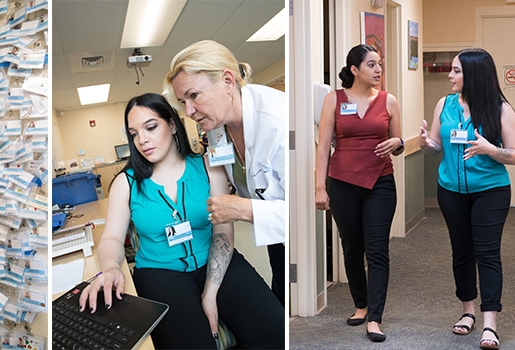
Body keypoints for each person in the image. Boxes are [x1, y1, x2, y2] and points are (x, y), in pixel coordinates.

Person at [78, 93, 284, 349]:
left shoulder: (209, 166)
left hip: (215, 258)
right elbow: (112, 238)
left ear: (173, 125)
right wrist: (110, 267)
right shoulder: (126, 183)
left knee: (275, 331)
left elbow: (222, 228)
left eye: (151, 127)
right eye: (133, 134)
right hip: (160, 273)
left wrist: (211, 292)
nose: (142, 140)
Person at [163, 40, 287, 305]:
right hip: (274, 233)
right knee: (280, 291)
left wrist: (242, 209)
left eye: (194, 95)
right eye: (183, 101)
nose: (189, 111)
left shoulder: (279, 123)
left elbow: (303, 213)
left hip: (298, 233)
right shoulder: (217, 128)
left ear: (228, 81)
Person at [419, 48, 515, 350]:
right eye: (452, 69)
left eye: (457, 70)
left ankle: (490, 324)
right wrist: (426, 143)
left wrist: (490, 149)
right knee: (461, 251)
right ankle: (467, 312)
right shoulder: (444, 104)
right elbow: (435, 146)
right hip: (450, 191)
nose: (450, 75)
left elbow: (513, 155)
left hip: (490, 191)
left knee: (487, 253)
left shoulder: (500, 109)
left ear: (474, 74)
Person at [314, 44, 403, 342]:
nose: (378, 70)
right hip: (342, 183)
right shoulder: (333, 100)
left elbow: (399, 142)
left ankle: (375, 317)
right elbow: (323, 146)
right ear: (354, 70)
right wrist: (319, 188)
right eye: (371, 65)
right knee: (352, 247)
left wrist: (398, 143)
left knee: (378, 250)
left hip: (380, 182)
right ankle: (361, 305)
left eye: (379, 64)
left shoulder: (389, 101)